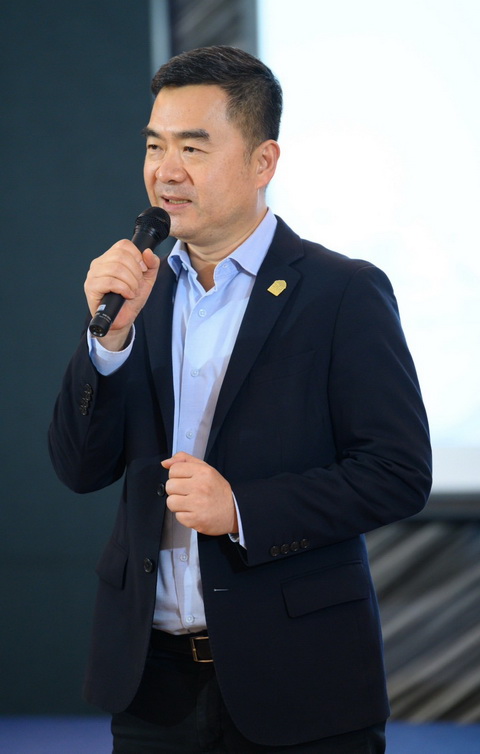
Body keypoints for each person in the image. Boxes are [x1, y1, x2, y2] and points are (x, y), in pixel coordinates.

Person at [49, 45, 432, 753]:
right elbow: (79, 467)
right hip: (150, 685)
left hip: (300, 679)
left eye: (193, 148)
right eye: (156, 146)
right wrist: (108, 344)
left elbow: (398, 473)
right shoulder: (137, 292)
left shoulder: (342, 293)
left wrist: (242, 510)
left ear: (263, 163)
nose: (166, 170)